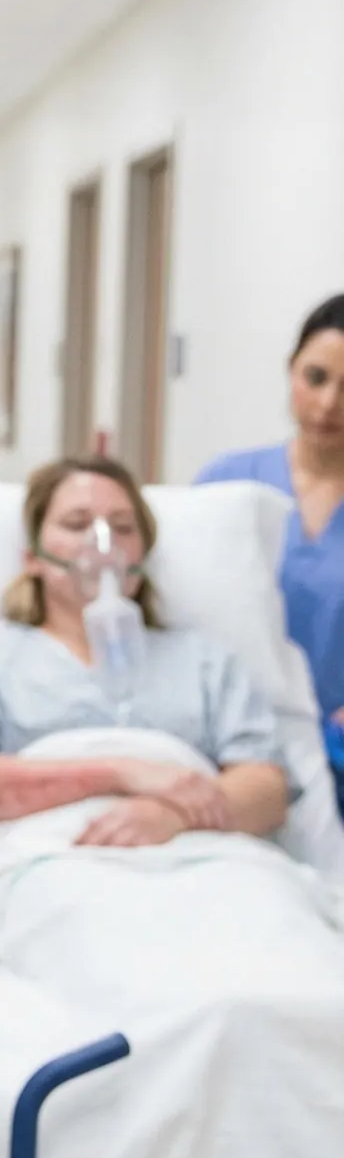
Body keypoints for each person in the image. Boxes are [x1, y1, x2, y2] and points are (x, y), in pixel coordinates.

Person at [0, 455, 291, 842]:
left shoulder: (204, 662)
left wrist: (171, 815)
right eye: (77, 524)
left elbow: (267, 791)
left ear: (142, 557)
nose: (102, 541)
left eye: (123, 527)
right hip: (44, 859)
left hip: (200, 862)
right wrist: (120, 773)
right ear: (34, 559)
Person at [197, 294, 344, 811]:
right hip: (228, 745)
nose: (328, 404)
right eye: (316, 377)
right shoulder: (225, 484)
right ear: (290, 371)